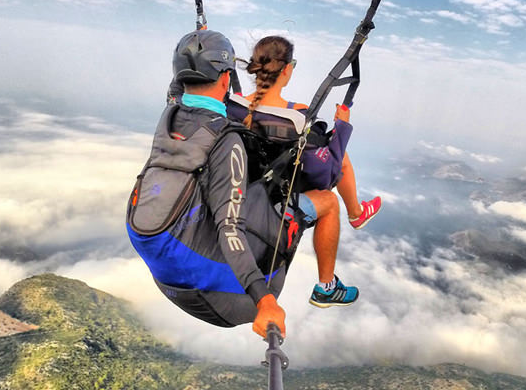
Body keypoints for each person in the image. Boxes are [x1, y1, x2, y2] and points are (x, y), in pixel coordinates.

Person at [127, 29, 346, 337]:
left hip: (167, 275)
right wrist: (265, 300)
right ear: (227, 78)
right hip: (227, 297)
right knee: (327, 202)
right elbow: (230, 227)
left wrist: (196, 47)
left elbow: (178, 86)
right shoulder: (226, 140)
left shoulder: (171, 113)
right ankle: (327, 286)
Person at [235, 35, 381, 307]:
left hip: (238, 192)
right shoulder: (297, 117)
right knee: (329, 199)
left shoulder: (233, 105)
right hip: (273, 204)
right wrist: (342, 127)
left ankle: (357, 213)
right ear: (287, 69)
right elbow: (326, 173)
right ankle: (327, 285)